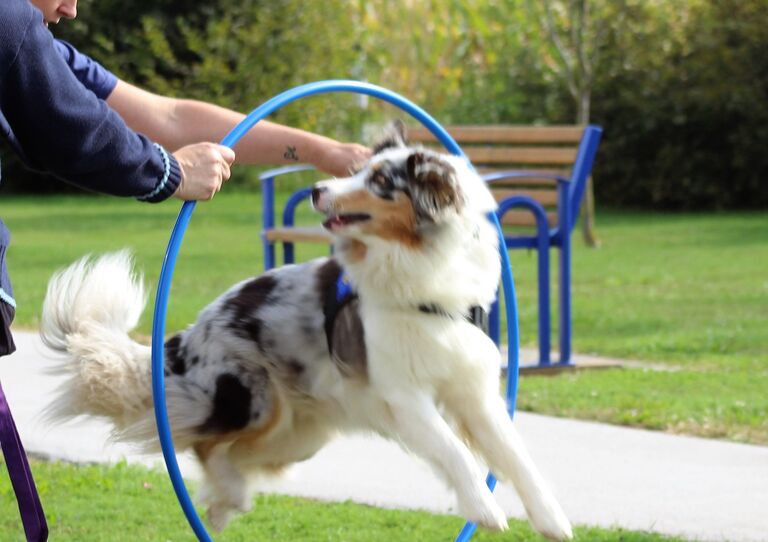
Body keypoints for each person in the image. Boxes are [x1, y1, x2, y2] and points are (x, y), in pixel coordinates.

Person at [0, 1, 369, 539]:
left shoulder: (23, 38)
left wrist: (321, 150)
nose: (72, 8)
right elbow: (77, 131)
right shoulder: (8, 20)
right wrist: (169, 172)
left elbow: (163, 116)